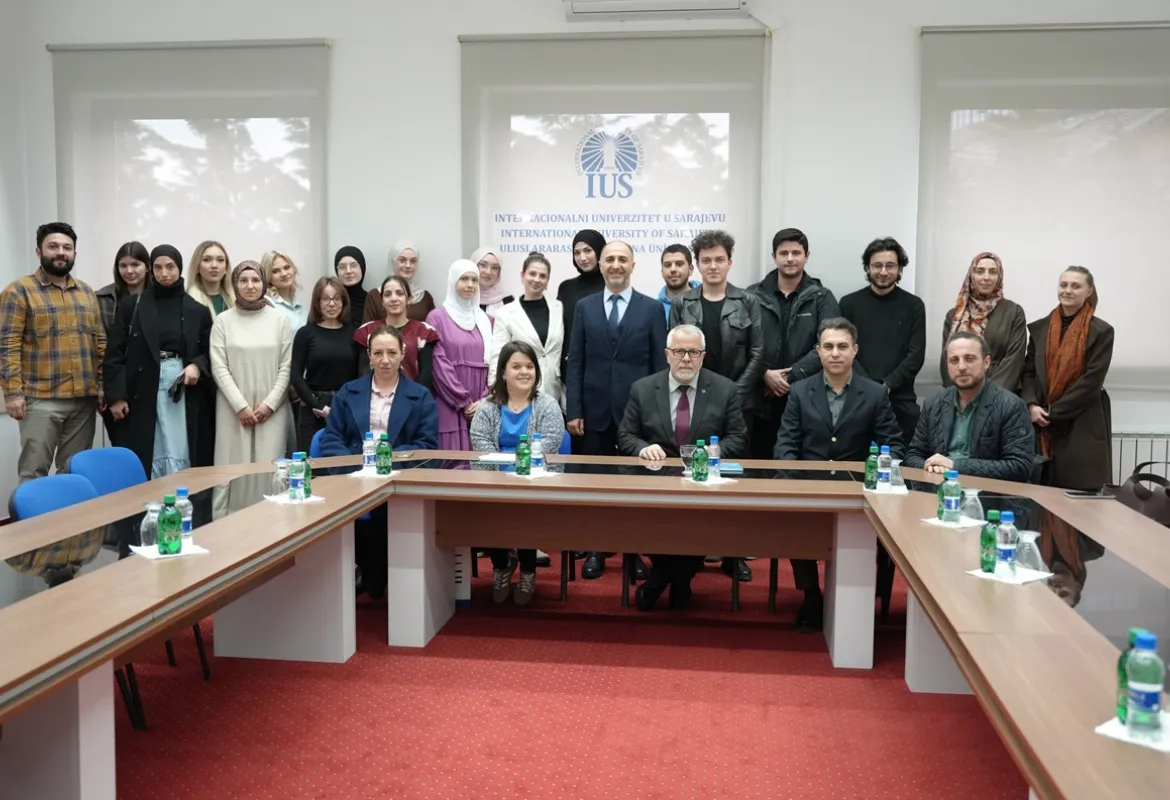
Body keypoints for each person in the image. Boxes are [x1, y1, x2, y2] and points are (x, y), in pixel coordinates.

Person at [774, 317, 903, 632]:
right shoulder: (800, 391)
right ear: (818, 351)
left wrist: (877, 479)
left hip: (859, 492)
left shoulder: (875, 393)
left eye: (842, 346)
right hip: (809, 489)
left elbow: (894, 446)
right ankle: (811, 594)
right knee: (795, 524)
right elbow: (786, 444)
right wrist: (792, 483)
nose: (835, 353)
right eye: (828, 346)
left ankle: (854, 594)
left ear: (855, 350)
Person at [618, 324, 749, 611]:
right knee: (646, 521)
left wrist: (716, 451)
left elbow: (738, 436)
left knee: (701, 524)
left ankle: (662, 579)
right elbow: (626, 434)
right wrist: (642, 448)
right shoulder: (642, 388)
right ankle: (678, 578)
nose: (686, 359)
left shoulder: (725, 389)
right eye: (679, 351)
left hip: (705, 485)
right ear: (667, 354)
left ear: (703, 356)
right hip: (655, 483)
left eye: (693, 352)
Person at [567, 240, 667, 579]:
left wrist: (656, 413)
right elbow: (576, 361)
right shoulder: (584, 307)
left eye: (622, 259)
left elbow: (658, 367)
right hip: (593, 412)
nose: (615, 264)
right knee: (598, 485)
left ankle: (632, 553)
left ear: (633, 265)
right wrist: (574, 409)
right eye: (609, 259)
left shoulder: (652, 309)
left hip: (638, 414)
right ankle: (597, 549)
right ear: (601, 265)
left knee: (634, 487)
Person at [668, 229, 763, 583]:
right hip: (694, 400)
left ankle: (733, 555)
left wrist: (732, 393)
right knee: (693, 477)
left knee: (734, 480)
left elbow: (758, 352)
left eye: (719, 259)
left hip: (739, 400)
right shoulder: (683, 303)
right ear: (697, 265)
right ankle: (691, 550)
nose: (713, 266)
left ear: (729, 262)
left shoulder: (748, 300)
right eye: (706, 260)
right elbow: (676, 353)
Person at [320, 325, 440, 599]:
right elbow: (331, 438)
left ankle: (375, 573)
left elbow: (426, 446)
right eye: (378, 353)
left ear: (403, 353)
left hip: (398, 479)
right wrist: (355, 470)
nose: (385, 360)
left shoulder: (420, 395)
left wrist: (386, 465)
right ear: (369, 355)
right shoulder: (348, 391)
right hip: (353, 479)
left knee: (384, 517)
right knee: (348, 518)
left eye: (391, 353)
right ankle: (373, 571)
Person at [0, 222, 104, 482]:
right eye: (53, 246)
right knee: (34, 474)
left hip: (83, 400)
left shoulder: (87, 292)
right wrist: (12, 393)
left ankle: (73, 513)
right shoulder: (19, 291)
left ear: (74, 253)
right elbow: (7, 344)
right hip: (40, 400)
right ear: (39, 252)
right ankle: (31, 512)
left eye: (67, 248)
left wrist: (103, 385)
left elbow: (100, 343)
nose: (60, 252)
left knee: (75, 474)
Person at [103, 244, 214, 477]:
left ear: (180, 268)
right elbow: (114, 353)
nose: (165, 274)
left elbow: (209, 352)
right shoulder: (132, 306)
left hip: (181, 389)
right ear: (151, 270)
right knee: (148, 449)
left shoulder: (198, 311)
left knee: (179, 444)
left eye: (170, 267)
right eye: (158, 267)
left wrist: (196, 366)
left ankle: (182, 493)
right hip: (141, 389)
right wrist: (116, 397)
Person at [471, 341, 566, 606]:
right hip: (495, 479)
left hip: (536, 479)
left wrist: (519, 468)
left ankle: (528, 570)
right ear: (503, 372)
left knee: (526, 509)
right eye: (516, 366)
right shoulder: (487, 407)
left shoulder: (548, 405)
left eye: (529, 366)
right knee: (488, 508)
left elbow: (551, 443)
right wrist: (505, 471)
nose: (524, 372)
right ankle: (501, 565)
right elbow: (480, 444)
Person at [746, 228, 841, 461]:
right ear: (774, 256)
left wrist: (790, 376)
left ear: (806, 256)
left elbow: (828, 345)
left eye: (796, 253)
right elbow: (743, 342)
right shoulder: (751, 296)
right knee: (758, 465)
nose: (790, 259)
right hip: (759, 398)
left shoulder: (822, 297)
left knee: (800, 465)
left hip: (806, 397)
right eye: (784, 253)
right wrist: (764, 373)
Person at [1021, 266, 1114, 492]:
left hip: (1081, 423)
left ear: (1089, 291)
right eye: (1064, 285)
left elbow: (1091, 381)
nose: (1068, 290)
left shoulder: (1102, 331)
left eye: (1076, 286)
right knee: (1040, 494)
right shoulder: (1040, 329)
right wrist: (1031, 405)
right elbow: (1028, 372)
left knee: (1079, 496)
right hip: (1040, 421)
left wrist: (1053, 411)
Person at [903, 332, 1034, 482]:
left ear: (986, 362)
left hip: (986, 492)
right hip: (938, 487)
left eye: (969, 359)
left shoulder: (1011, 406)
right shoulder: (933, 403)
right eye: (954, 360)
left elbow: (1019, 467)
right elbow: (913, 455)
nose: (961, 367)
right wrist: (931, 466)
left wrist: (954, 465)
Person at [839, 237, 926, 445]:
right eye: (877, 265)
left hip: (901, 403)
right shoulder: (848, 304)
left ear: (900, 270)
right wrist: (869, 388)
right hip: (855, 399)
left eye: (890, 265)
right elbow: (843, 350)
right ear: (867, 268)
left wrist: (887, 385)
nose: (884, 271)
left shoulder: (914, 305)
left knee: (900, 461)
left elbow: (915, 355)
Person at [210, 261, 294, 465]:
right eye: (243, 280)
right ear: (235, 284)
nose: (250, 286)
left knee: (270, 468)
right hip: (233, 410)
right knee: (233, 468)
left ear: (264, 283)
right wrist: (240, 406)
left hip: (271, 411)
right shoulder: (223, 321)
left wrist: (270, 405)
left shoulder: (280, 320)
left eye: (255, 280)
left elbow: (287, 367)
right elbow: (219, 367)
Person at [290, 276, 362, 454]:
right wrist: (316, 405)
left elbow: (361, 375)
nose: (331, 304)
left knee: (344, 462)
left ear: (343, 302)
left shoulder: (354, 334)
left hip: (346, 406)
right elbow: (296, 375)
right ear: (317, 302)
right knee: (309, 463)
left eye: (336, 299)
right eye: (325, 299)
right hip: (312, 407)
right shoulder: (305, 333)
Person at [426, 260, 493, 451]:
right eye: (464, 279)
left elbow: (496, 363)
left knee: (481, 458)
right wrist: (462, 401)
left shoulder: (488, 321)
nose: (470, 285)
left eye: (474, 280)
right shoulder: (436, 318)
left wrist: (484, 401)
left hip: (482, 404)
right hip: (449, 401)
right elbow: (438, 362)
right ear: (452, 281)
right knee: (452, 459)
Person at [941, 252, 1027, 395]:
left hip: (1001, 395)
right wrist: (959, 396)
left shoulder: (1013, 312)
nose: (986, 277)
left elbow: (1014, 360)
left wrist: (991, 397)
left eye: (993, 272)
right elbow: (947, 359)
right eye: (980, 271)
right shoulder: (954, 315)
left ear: (999, 276)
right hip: (961, 395)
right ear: (971, 275)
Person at [488, 252, 564, 406]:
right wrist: (495, 391)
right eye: (532, 274)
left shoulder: (559, 308)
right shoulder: (505, 313)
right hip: (518, 394)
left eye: (542, 276)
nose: (537, 279)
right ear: (522, 276)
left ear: (548, 281)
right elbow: (498, 356)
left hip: (553, 392)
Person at [354, 276, 439, 386]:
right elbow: (363, 373)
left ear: (409, 299)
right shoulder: (367, 331)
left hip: (414, 394)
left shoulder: (424, 331)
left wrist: (413, 395)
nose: (394, 299)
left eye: (399, 293)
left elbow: (426, 374)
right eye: (388, 294)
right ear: (382, 301)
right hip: (374, 394)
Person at [556, 229, 607, 401]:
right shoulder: (566, 288)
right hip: (570, 373)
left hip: (603, 373)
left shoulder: (611, 287)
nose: (582, 258)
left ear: (600, 251)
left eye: (588, 250)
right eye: (577, 253)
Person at [362, 243, 435, 323]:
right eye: (402, 260)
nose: (408, 265)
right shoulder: (375, 297)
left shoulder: (425, 298)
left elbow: (433, 328)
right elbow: (367, 329)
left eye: (413, 261)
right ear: (393, 262)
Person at [96, 241, 150, 335]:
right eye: (123, 266)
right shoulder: (103, 298)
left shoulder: (160, 295)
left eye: (135, 265)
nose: (129, 271)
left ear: (147, 267)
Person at [263, 249, 308, 333]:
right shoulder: (267, 305)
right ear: (268, 276)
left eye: (286, 267)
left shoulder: (301, 306)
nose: (284, 274)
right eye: (275, 271)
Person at [186, 240, 235, 318]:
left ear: (226, 267)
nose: (214, 265)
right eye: (207, 260)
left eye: (220, 260)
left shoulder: (235, 300)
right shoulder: (188, 301)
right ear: (197, 267)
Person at [656, 243, 698, 320]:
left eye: (679, 264)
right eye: (668, 265)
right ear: (662, 271)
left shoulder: (706, 299)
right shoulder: (654, 309)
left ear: (690, 269)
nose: (673, 269)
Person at [472, 247, 514, 315]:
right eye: (483, 265)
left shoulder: (508, 301)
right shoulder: (464, 297)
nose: (488, 272)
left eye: (494, 268)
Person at [333, 246, 368, 328]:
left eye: (353, 265)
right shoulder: (331, 302)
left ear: (362, 267)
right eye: (342, 267)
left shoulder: (372, 301)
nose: (348, 271)